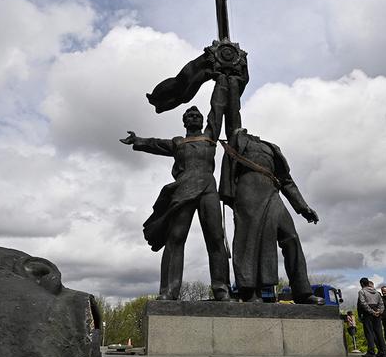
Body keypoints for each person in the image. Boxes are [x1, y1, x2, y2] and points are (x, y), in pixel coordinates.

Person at [120, 106, 230, 301]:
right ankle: (169, 290)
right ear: (184, 121)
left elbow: (217, 108)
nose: (195, 117)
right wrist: (138, 141)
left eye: (198, 116)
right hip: (184, 188)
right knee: (176, 238)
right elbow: (156, 144)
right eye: (190, 116)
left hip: (208, 189)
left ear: (203, 121)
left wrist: (222, 81)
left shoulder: (210, 136)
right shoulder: (178, 142)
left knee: (215, 237)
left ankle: (222, 288)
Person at [218, 123, 323, 304]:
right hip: (248, 190)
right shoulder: (238, 140)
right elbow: (228, 164)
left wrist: (303, 207)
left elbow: (286, 181)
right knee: (248, 240)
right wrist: (229, 195)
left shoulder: (272, 148)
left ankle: (302, 292)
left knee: (291, 237)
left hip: (272, 192)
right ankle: (249, 291)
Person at [357, 278, 386, 357]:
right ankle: (383, 352)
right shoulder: (377, 293)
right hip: (377, 314)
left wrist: (371, 312)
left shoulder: (362, 291)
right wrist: (379, 312)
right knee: (379, 333)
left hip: (368, 314)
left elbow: (363, 303)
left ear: (362, 284)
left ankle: (371, 352)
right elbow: (381, 304)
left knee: (369, 333)